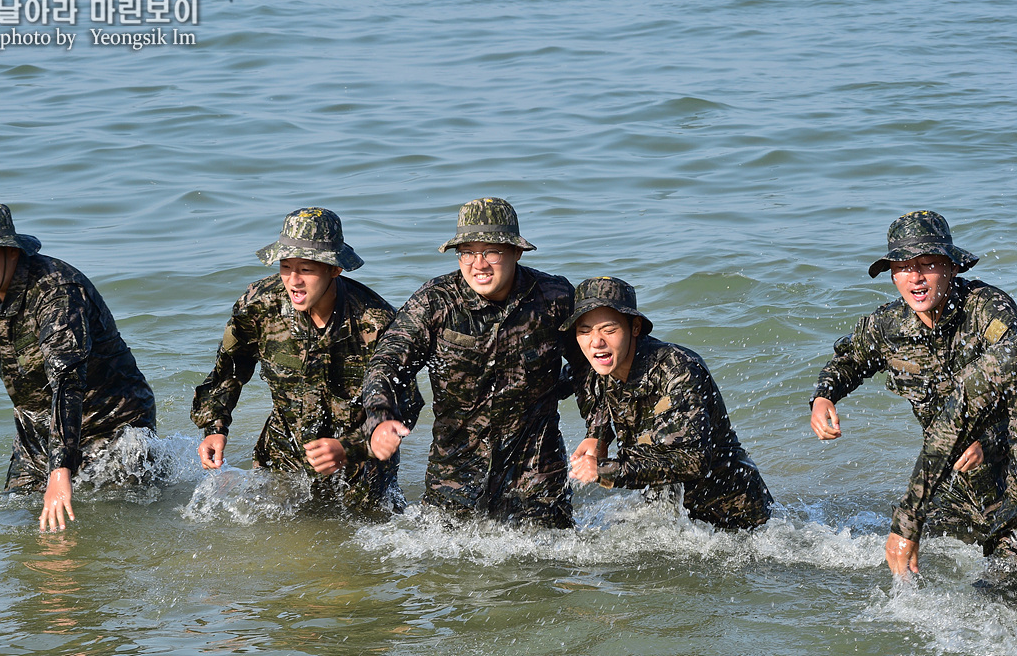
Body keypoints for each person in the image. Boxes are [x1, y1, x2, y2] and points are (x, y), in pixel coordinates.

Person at [810, 210, 1017, 575]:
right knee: (888, 568)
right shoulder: (888, 326)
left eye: (928, 264)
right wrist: (824, 396)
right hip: (952, 487)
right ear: (892, 275)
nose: (916, 278)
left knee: (998, 591)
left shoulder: (988, 311)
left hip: (1010, 478)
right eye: (904, 267)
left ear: (952, 267)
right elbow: (849, 360)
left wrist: (989, 439)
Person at [0, 202, 156, 532]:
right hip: (39, 435)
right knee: (15, 527)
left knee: (96, 530)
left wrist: (59, 472)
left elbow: (67, 380)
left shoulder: (57, 292)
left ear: (10, 252)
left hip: (112, 427)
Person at [190, 207, 422, 515]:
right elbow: (229, 370)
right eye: (286, 266)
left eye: (307, 269)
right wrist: (215, 426)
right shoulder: (259, 306)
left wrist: (353, 447)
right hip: (283, 460)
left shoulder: (375, 321)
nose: (294, 281)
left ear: (334, 269)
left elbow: (406, 404)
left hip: (359, 470)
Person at [361, 197, 575, 528]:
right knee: (446, 575)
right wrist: (380, 417)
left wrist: (597, 434)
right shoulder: (435, 301)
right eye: (467, 253)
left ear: (516, 252)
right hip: (455, 475)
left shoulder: (553, 298)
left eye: (491, 251)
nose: (479, 265)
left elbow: (592, 367)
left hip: (536, 475)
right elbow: (386, 363)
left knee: (546, 569)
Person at [565, 277, 772, 530]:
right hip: (669, 513)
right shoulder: (595, 366)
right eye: (584, 331)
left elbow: (693, 460)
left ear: (635, 327)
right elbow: (558, 388)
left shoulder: (678, 369)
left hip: (733, 515)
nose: (596, 342)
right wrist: (597, 437)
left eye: (609, 330)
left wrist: (605, 471)